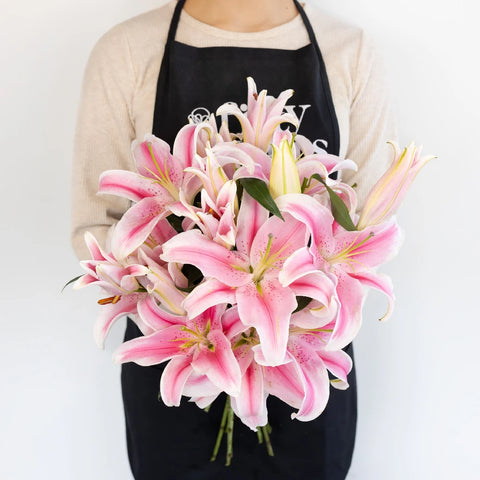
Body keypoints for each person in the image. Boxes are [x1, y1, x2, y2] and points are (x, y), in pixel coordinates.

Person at [71, 1, 396, 478]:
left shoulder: (351, 51)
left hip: (304, 361)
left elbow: (367, 230)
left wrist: (270, 324)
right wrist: (193, 296)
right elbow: (95, 230)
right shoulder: (126, 51)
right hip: (180, 355)